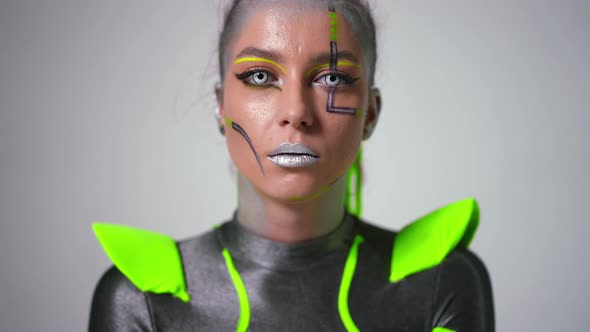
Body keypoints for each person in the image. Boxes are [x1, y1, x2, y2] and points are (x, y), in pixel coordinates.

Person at [89, 0, 495, 331]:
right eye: (262, 76)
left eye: (332, 79)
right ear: (220, 105)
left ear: (369, 112)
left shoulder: (439, 283)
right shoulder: (142, 299)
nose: (296, 112)